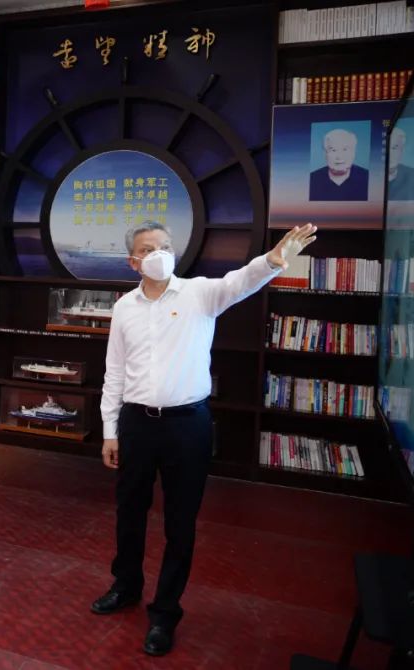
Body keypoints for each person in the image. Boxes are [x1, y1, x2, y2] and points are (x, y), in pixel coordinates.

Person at [93, 220, 317, 656]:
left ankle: (165, 613)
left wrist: (273, 261)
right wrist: (109, 431)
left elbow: (240, 281)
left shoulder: (200, 293)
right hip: (136, 424)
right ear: (133, 261)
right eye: (147, 249)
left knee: (180, 522)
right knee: (129, 511)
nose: (158, 253)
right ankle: (125, 586)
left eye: (164, 245)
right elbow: (114, 373)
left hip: (187, 426)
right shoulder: (124, 308)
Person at [308, 128, 369, 201]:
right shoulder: (312, 179)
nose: (339, 156)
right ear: (325, 154)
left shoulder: (367, 177)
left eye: (345, 149)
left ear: (353, 152)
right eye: (333, 150)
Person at [388, 127, 414, 201]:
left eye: (394, 148)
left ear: (402, 150)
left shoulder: (412, 175)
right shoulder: (367, 176)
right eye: (385, 148)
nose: (390, 154)